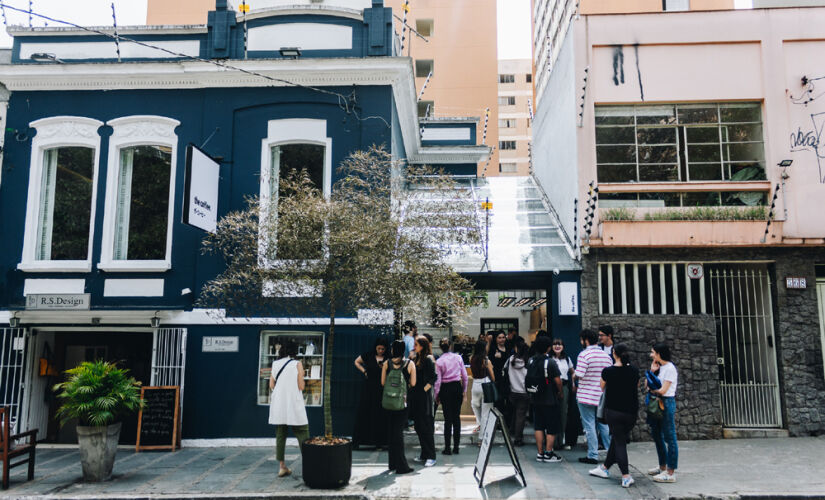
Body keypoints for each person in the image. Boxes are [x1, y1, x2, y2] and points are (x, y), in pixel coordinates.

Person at [589, 343, 639, 489]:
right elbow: (635, 386)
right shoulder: (634, 371)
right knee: (618, 439)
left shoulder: (608, 371)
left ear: (614, 354)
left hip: (614, 411)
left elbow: (602, 387)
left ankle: (625, 476)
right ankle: (604, 468)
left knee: (619, 442)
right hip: (631, 412)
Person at [268, 339, 308, 478]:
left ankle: (282, 467)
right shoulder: (297, 364)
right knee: (303, 432)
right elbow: (301, 386)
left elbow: (271, 385)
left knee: (280, 434)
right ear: (294, 351)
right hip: (294, 403)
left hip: (279, 403)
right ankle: (309, 465)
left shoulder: (275, 364)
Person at [574, 328, 613, 464]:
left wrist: (574, 374)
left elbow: (580, 374)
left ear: (585, 340)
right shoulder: (606, 356)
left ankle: (592, 455)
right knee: (604, 425)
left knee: (589, 425)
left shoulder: (584, 355)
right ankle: (610, 452)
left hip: (586, 396)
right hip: (601, 396)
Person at [381, 340, 416, 474]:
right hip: (403, 402)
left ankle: (392, 464)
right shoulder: (409, 364)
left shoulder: (386, 363)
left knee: (392, 432)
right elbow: (413, 383)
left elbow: (383, 383)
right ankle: (402, 466)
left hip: (389, 402)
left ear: (392, 350)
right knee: (398, 433)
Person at [527, 336, 563, 463]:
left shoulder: (531, 361)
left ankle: (540, 453)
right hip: (549, 398)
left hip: (535, 398)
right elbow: (558, 381)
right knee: (551, 427)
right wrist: (560, 392)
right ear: (548, 348)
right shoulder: (550, 362)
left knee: (539, 426)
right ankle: (548, 453)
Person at [647, 342, 679, 483]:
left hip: (666, 402)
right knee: (656, 434)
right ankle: (662, 466)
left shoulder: (670, 368)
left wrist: (652, 389)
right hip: (657, 402)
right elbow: (646, 384)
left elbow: (663, 390)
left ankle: (671, 472)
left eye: (653, 352)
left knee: (669, 437)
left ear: (659, 354)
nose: (651, 355)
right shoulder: (659, 368)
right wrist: (652, 372)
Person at [352, 336, 390, 450]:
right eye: (379, 348)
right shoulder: (368, 355)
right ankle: (359, 441)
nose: (380, 351)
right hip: (368, 389)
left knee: (380, 415)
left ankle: (380, 442)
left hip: (382, 389)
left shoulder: (388, 357)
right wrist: (364, 371)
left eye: (383, 349)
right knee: (365, 413)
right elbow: (356, 362)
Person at [435, 338, 467, 455]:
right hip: (456, 387)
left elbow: (437, 381)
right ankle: (456, 447)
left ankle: (447, 447)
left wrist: (437, 395)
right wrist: (464, 390)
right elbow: (465, 376)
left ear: (440, 348)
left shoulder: (439, 361)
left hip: (445, 389)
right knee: (456, 418)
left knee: (447, 419)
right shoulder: (458, 358)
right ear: (450, 346)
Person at [410, 337, 437, 466]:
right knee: (419, 426)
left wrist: (424, 390)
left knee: (426, 427)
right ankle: (424, 454)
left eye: (416, 344)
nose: (414, 346)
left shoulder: (428, 359)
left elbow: (433, 378)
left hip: (424, 397)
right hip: (416, 396)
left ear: (423, 345)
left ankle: (431, 455)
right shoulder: (416, 358)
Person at [551, 338, 576, 450]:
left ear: (563, 347)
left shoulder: (567, 359)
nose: (557, 346)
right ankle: (552, 441)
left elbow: (573, 372)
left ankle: (560, 440)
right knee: (552, 413)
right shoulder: (549, 358)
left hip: (565, 386)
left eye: (559, 344)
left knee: (563, 413)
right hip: (551, 387)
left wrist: (574, 384)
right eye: (555, 344)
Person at [505, 336, 530, 446]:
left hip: (512, 391)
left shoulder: (511, 360)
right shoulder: (528, 361)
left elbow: (504, 370)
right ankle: (518, 438)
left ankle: (511, 430)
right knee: (521, 415)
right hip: (524, 392)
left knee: (515, 412)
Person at [469, 340, 496, 436]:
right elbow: (492, 376)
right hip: (485, 383)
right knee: (486, 412)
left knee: (474, 405)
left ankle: (480, 424)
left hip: (475, 384)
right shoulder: (486, 360)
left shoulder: (471, 358)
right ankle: (482, 437)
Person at [488, 330, 510, 414]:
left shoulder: (508, 348)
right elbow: (489, 361)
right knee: (498, 400)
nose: (502, 339)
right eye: (499, 338)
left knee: (507, 399)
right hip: (497, 378)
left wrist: (502, 356)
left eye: (503, 337)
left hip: (507, 378)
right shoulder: (493, 349)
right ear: (496, 339)